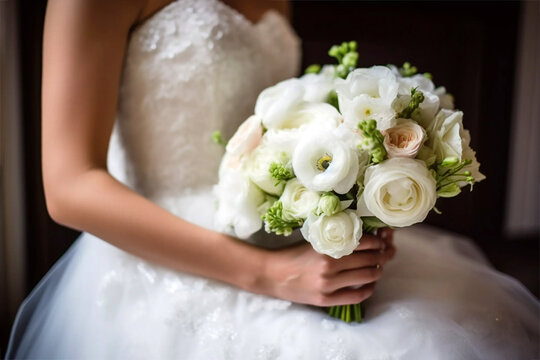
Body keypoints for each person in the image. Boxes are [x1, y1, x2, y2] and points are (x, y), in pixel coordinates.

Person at [6, 0, 538, 358]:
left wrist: (358, 209)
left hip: (273, 215)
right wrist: (268, 273)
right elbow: (70, 185)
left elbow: (276, 125)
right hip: (158, 239)